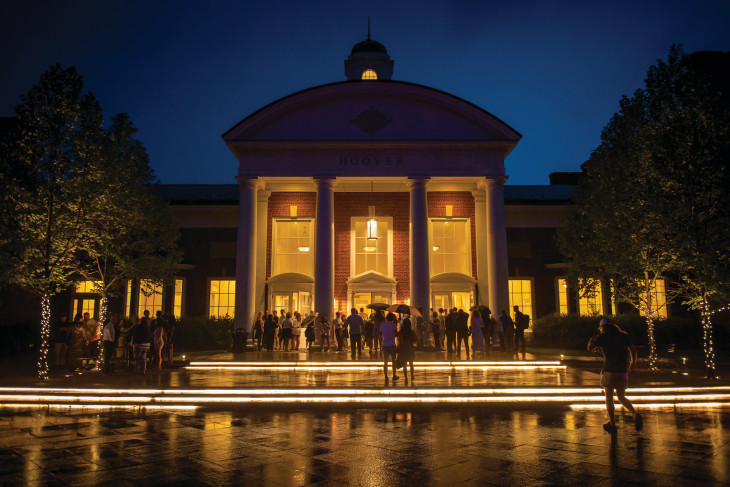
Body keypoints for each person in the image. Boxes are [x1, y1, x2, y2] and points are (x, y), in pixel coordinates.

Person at [587, 318, 643, 434]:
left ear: (603, 328)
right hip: (622, 370)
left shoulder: (603, 337)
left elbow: (590, 348)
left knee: (609, 398)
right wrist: (633, 362)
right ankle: (634, 413)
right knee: (621, 396)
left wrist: (592, 340)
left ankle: (612, 424)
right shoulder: (624, 336)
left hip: (609, 370)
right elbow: (633, 349)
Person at [396, 318, 418, 385]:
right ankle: (412, 376)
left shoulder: (401, 332)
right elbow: (416, 339)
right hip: (410, 349)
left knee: (404, 364)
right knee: (411, 364)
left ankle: (406, 378)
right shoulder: (411, 332)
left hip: (403, 349)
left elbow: (398, 340)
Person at [380, 312, 399, 384]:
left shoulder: (382, 325)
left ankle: (385, 376)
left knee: (385, 361)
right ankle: (394, 375)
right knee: (393, 361)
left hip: (384, 344)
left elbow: (380, 334)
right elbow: (396, 334)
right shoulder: (393, 325)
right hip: (391, 344)